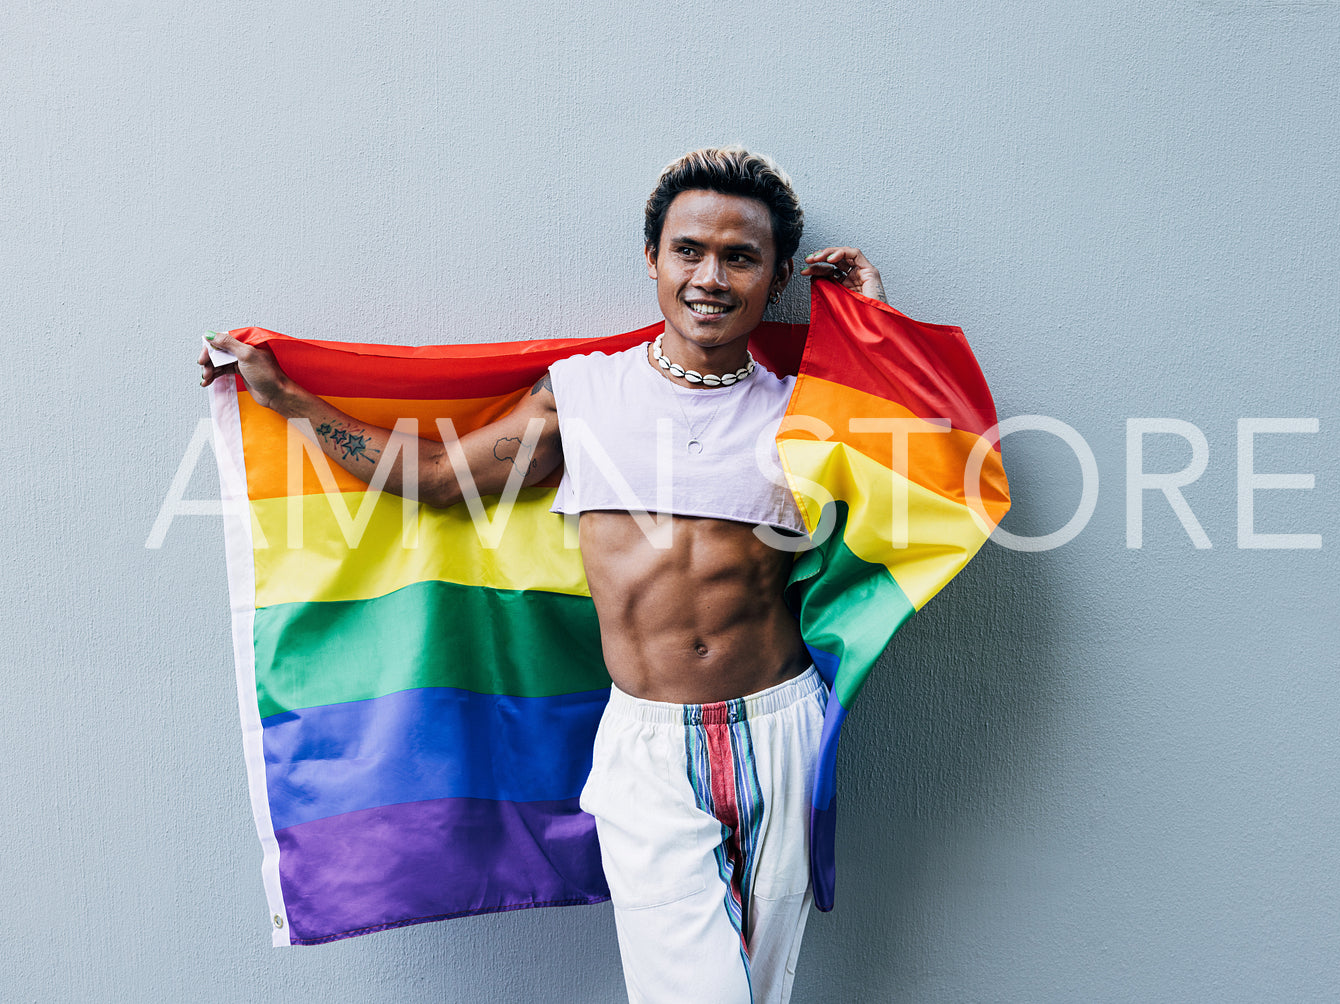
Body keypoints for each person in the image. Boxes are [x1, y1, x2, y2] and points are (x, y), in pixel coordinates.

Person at [199, 146, 887, 1004]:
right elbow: (443, 482)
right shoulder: (584, 398)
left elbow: (913, 489)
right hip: (649, 747)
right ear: (654, 259)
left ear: (776, 273)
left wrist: (873, 330)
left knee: (763, 987)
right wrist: (294, 404)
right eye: (688, 251)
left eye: (739, 257)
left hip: (783, 727)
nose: (710, 276)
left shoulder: (806, 409)